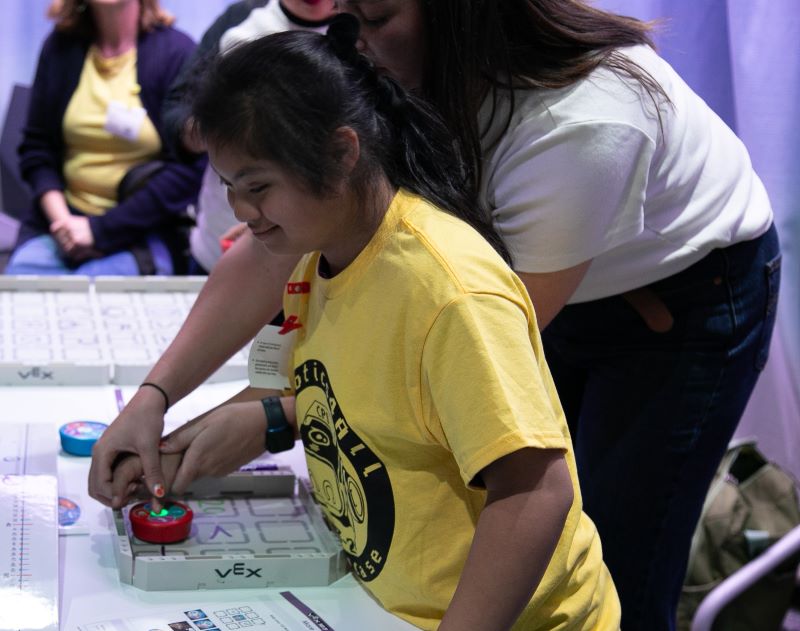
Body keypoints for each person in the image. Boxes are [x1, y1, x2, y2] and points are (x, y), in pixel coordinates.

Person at [89, 2, 781, 629]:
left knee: (622, 547)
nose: (355, 42)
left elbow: (497, 436)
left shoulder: (561, 150)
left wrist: (272, 416)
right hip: (501, 297)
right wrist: (158, 397)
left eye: (378, 17)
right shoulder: (337, 213)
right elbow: (288, 273)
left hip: (677, 304)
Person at [5, 0, 204, 276]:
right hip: (60, 226)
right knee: (21, 288)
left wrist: (100, 231)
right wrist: (64, 223)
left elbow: (188, 170)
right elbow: (37, 150)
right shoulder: (60, 46)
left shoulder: (177, 52)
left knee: (97, 300)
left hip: (142, 229)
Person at [160, 0, 336, 275]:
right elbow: (177, 113)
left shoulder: (360, 31)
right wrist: (219, 128)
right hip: (220, 246)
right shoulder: (242, 28)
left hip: (318, 256)